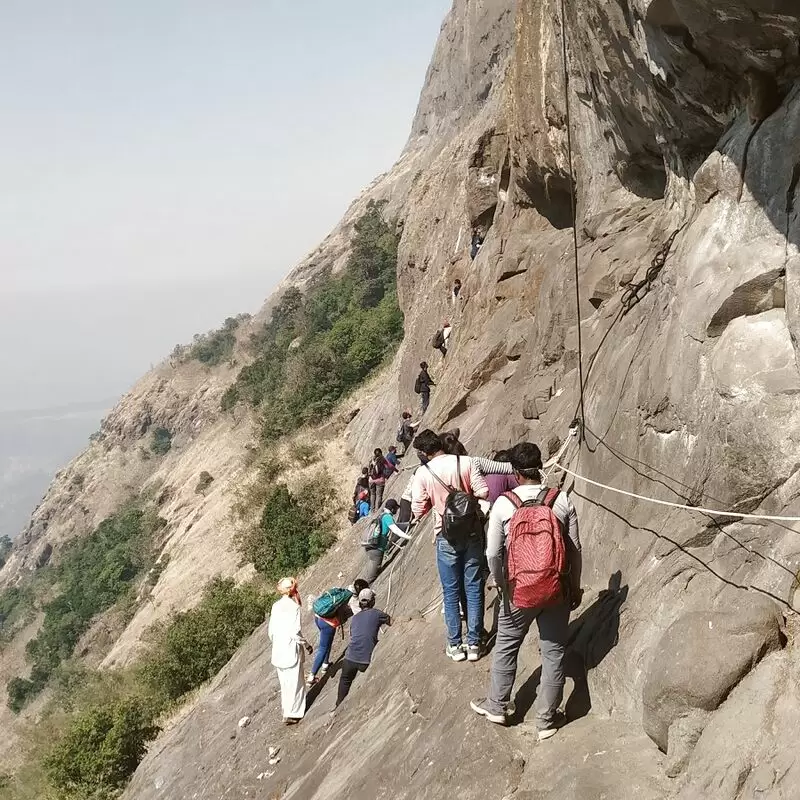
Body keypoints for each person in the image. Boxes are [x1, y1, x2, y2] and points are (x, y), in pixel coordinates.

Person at [470, 442, 582, 741]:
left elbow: (493, 552)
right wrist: (574, 586)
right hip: (556, 587)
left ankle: (497, 706)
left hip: (518, 589)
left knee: (507, 644)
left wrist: (501, 583)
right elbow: (574, 550)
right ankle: (546, 720)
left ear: (516, 473)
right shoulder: (561, 500)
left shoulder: (504, 505)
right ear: (540, 467)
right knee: (554, 651)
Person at [410, 430, 490, 663]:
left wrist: (438, 504)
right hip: (473, 531)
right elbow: (483, 491)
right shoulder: (465, 462)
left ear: (424, 453)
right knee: (474, 587)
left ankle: (455, 645)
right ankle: (474, 642)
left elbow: (417, 509)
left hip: (445, 535)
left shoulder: (423, 473)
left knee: (451, 592)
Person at [336, 588, 392, 708]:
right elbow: (391, 622)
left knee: (345, 681)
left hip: (349, 658)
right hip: (365, 660)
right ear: (372, 602)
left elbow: (353, 635)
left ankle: (337, 707)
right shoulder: (377, 614)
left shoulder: (355, 618)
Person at [268, 577, 313, 724]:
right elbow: (295, 632)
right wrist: (306, 644)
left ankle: (286, 711)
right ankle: (293, 713)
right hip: (290, 651)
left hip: (278, 651)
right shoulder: (294, 608)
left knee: (285, 685)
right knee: (296, 684)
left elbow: (271, 632)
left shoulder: (275, 606)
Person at [363, 499, 400, 582]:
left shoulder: (381, 515)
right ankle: (364, 591)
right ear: (393, 509)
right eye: (396, 509)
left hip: (370, 545)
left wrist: (408, 523)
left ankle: (361, 588)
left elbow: (396, 526)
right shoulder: (388, 517)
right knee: (371, 577)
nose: (397, 511)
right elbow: (395, 530)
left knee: (370, 571)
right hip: (377, 549)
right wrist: (409, 537)